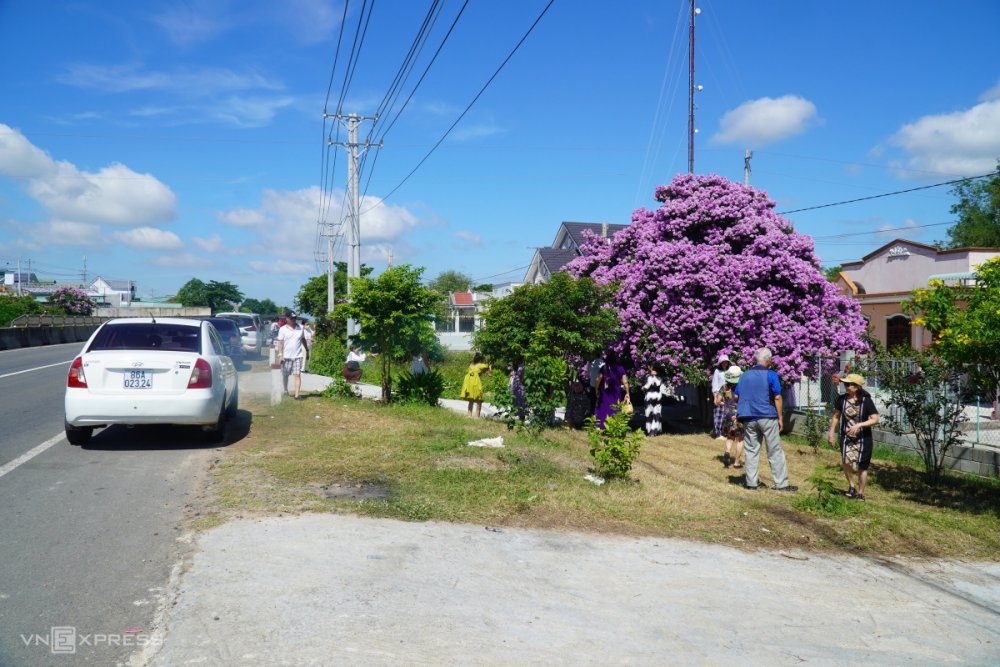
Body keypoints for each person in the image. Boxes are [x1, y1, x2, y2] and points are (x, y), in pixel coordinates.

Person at [734, 347, 796, 491]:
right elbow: (777, 397)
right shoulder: (771, 374)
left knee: (751, 450)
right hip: (767, 415)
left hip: (748, 417)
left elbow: (736, 396)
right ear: (768, 360)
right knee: (774, 450)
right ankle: (781, 484)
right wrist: (780, 418)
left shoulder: (744, 376)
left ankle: (751, 483)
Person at [827, 373, 880, 501]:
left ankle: (861, 493)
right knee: (846, 461)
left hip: (863, 439)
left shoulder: (866, 401)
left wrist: (860, 425)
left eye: (848, 384)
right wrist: (831, 433)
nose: (846, 386)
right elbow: (836, 416)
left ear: (856, 387)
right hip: (846, 438)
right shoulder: (841, 399)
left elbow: (875, 419)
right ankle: (851, 486)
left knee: (862, 466)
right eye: (845, 384)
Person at [276, 311, 308, 400]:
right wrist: (280, 354)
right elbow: (280, 343)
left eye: (294, 318)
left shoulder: (300, 328)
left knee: (297, 375)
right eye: (291, 318)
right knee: (285, 375)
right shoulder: (282, 329)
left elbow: (303, 339)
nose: (293, 319)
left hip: (297, 356)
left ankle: (297, 395)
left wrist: (307, 349)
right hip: (286, 356)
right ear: (287, 319)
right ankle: (285, 390)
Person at [594, 352, 630, 429]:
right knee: (615, 408)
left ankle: (602, 426)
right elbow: (625, 382)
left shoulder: (604, 367)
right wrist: (627, 393)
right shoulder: (620, 368)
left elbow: (598, 380)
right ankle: (613, 426)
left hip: (605, 391)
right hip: (616, 391)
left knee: (604, 407)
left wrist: (596, 390)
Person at [719, 365, 744, 467]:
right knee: (740, 439)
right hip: (739, 415)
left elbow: (717, 401)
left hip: (728, 414)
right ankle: (736, 462)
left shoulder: (725, 387)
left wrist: (725, 405)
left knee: (730, 436)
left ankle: (728, 451)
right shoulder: (742, 387)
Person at [460, 353, 490, 417]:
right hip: (476, 382)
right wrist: (488, 363)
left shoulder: (471, 365)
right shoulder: (480, 365)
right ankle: (477, 416)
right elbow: (486, 366)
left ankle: (469, 415)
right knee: (479, 400)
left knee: (471, 400)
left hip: (469, 382)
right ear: (480, 360)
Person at [711, 355, 733, 439]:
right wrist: (715, 396)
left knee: (728, 412)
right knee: (719, 414)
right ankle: (718, 433)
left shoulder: (729, 371)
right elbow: (715, 384)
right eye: (723, 362)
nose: (725, 363)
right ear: (720, 363)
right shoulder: (717, 371)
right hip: (719, 393)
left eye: (726, 361)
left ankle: (725, 432)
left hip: (728, 393)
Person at [642, 365, 666, 436]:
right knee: (657, 414)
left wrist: (642, 388)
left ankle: (650, 431)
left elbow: (647, 386)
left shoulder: (649, 377)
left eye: (652, 369)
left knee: (648, 414)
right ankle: (654, 430)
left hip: (650, 397)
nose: (650, 370)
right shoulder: (660, 378)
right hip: (658, 397)